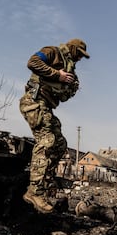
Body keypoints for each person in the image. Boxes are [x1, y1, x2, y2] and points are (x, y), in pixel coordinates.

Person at [19, 38, 90, 213]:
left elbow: (62, 96)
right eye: (79, 54)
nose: (80, 59)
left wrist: (69, 85)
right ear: (72, 49)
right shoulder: (53, 52)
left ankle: (45, 184)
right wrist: (58, 75)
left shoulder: (70, 69)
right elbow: (32, 62)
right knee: (47, 140)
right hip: (33, 101)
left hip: (46, 106)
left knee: (59, 144)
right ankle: (34, 192)